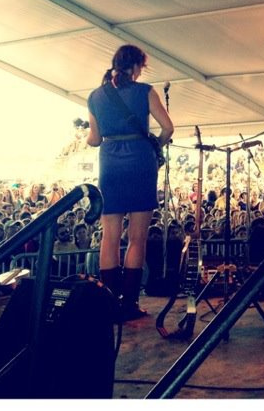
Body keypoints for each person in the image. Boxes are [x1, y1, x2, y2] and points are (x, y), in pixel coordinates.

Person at [87, 44, 174, 321]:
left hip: (110, 163)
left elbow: (94, 139)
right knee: (137, 238)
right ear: (136, 66)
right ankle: (130, 304)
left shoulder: (95, 96)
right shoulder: (145, 91)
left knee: (109, 237)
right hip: (140, 162)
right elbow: (168, 128)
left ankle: (109, 304)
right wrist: (155, 146)